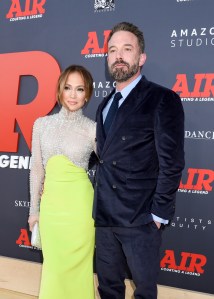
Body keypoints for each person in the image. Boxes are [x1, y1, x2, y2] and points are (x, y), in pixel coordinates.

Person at [93, 22, 185, 299]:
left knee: (144, 292)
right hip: (105, 218)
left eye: (127, 49)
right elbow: (104, 158)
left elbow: (172, 162)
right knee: (108, 289)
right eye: (112, 50)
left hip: (141, 219)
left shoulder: (162, 99)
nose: (119, 55)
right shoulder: (104, 104)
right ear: (107, 57)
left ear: (141, 58)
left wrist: (157, 216)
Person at [28, 65, 96, 299]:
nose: (73, 94)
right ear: (59, 90)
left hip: (80, 210)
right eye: (68, 88)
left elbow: (113, 164)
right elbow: (37, 170)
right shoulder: (41, 125)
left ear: (87, 94)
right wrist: (33, 211)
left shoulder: (93, 130)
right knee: (53, 269)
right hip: (51, 210)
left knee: (79, 271)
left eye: (80, 89)